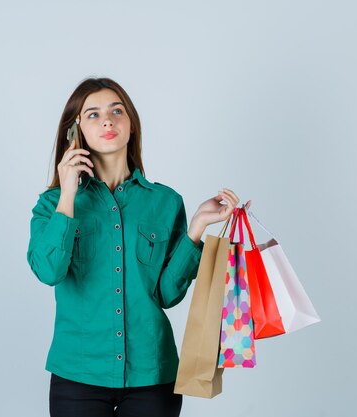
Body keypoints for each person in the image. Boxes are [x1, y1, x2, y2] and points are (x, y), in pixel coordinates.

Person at [27, 77, 249, 417]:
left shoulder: (165, 201)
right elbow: (48, 271)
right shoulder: (53, 204)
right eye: (93, 114)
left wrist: (196, 229)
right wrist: (69, 194)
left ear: (131, 125)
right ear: (75, 133)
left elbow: (166, 295)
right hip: (78, 377)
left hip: (153, 377)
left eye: (117, 111)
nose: (107, 120)